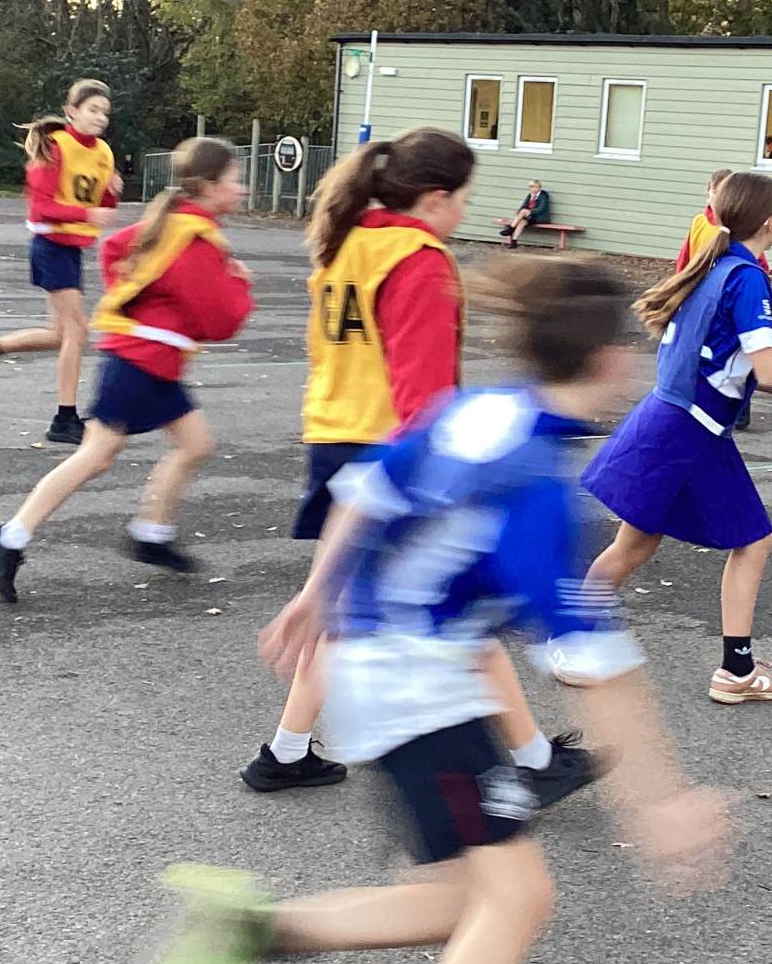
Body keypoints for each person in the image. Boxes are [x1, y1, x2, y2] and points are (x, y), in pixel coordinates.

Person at [155, 255, 736, 964]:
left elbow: (363, 494)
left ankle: (254, 931)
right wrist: (659, 805)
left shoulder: (477, 412)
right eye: (629, 351)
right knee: (519, 899)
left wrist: (317, 593)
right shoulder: (533, 488)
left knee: (458, 903)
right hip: (415, 689)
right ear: (605, 360)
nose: (632, 364)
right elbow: (597, 670)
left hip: (396, 674)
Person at [238, 128, 597, 810]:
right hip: (393, 450)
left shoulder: (348, 241)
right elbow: (424, 394)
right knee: (458, 612)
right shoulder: (420, 260)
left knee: (343, 609)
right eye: (463, 199)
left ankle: (284, 753)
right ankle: (536, 762)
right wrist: (447, 471)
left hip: (336, 439)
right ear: (435, 198)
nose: (464, 212)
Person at [581, 172, 772, 704]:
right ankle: (735, 670)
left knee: (635, 545)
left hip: (669, 420)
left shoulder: (714, 265)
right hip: (690, 430)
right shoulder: (746, 278)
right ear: (771, 222)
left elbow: (737, 368)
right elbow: (768, 370)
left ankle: (572, 639)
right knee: (753, 540)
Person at [0, 136, 251, 600]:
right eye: (235, 180)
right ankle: (8, 537)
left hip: (151, 361)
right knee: (97, 455)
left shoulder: (174, 223)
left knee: (196, 444)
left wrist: (131, 299)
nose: (241, 189)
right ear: (208, 186)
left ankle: (152, 534)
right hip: (140, 362)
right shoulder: (195, 241)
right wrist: (240, 284)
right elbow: (221, 320)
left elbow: (115, 249)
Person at [0, 80, 122, 446]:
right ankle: (64, 418)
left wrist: (111, 195)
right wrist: (87, 213)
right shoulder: (55, 147)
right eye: (93, 109)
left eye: (105, 112)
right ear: (72, 112)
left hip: (71, 249)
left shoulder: (103, 153)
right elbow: (42, 207)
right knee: (77, 332)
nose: (100, 117)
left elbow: (100, 207)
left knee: (61, 335)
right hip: (50, 246)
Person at [497, 178, 549, 247]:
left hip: (539, 217)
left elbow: (541, 209)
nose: (531, 188)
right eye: (530, 187)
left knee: (524, 211)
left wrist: (529, 211)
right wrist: (519, 212)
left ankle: (511, 228)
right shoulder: (530, 195)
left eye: (533, 187)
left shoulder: (543, 196)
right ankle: (514, 242)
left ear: (538, 187)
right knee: (522, 222)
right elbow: (523, 206)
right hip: (529, 217)